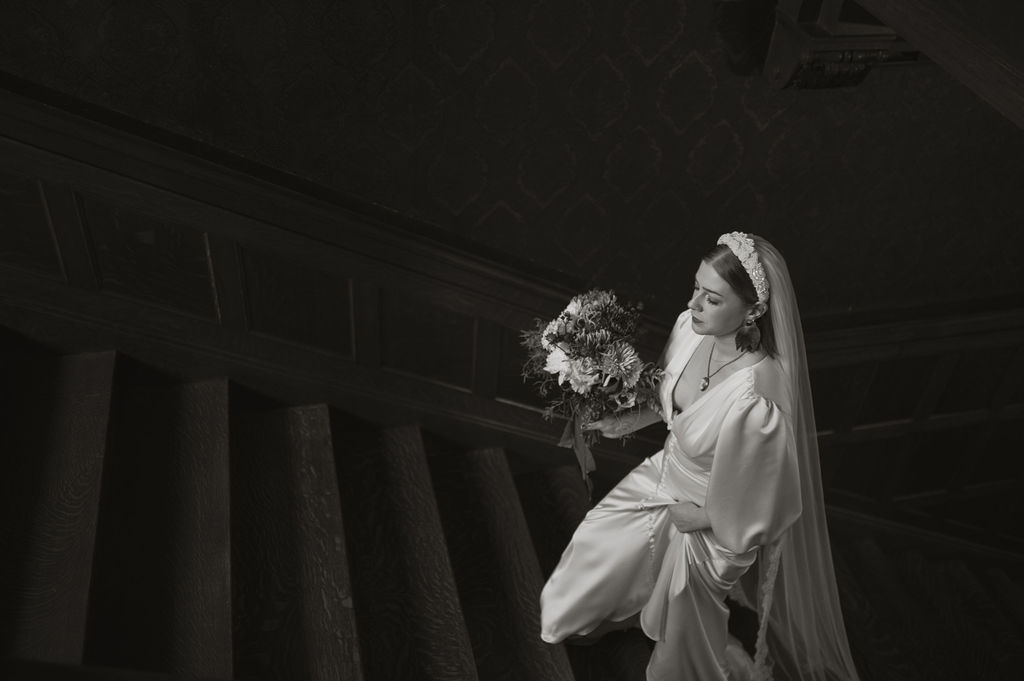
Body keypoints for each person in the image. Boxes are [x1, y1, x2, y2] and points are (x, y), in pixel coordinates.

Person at [539, 233, 860, 681]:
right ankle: (597, 618)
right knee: (596, 543)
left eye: (711, 299)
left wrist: (703, 515)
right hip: (667, 475)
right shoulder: (689, 330)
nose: (693, 305)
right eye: (695, 289)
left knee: (684, 639)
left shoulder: (758, 399)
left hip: (718, 522)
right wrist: (627, 421)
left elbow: (768, 497)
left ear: (753, 311)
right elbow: (673, 401)